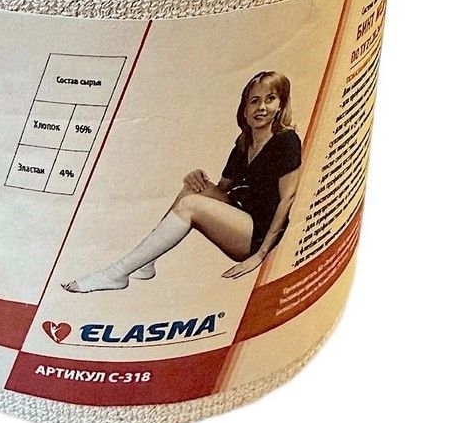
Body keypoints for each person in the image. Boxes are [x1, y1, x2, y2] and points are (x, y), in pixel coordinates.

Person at [62, 71, 302, 293]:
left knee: (190, 205)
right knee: (192, 190)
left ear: (281, 104)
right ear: (245, 109)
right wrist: (198, 180)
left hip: (259, 232)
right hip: (240, 214)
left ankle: (116, 274)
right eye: (254, 101)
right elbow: (223, 191)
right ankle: (146, 263)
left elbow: (288, 198)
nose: (261, 107)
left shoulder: (286, 141)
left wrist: (260, 255)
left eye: (270, 99)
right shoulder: (244, 142)